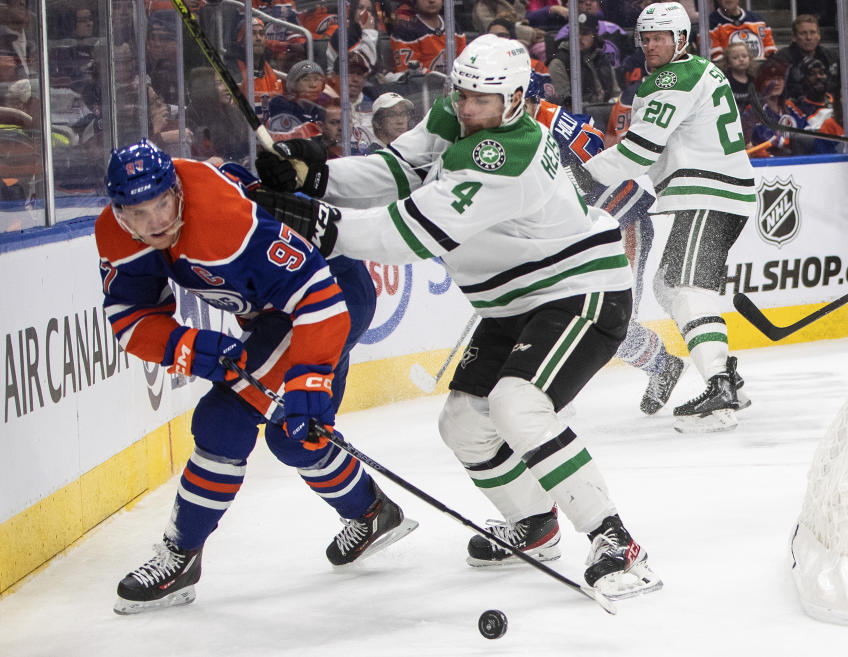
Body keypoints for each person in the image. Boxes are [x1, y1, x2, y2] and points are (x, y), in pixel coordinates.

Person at [253, 34, 663, 599]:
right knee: (464, 425)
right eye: (463, 94)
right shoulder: (457, 114)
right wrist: (315, 177)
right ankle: (535, 524)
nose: (467, 108)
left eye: (483, 100)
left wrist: (318, 220)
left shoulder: (508, 160)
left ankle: (615, 539)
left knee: (516, 404)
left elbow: (407, 232)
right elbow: (399, 171)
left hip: (580, 289)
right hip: (517, 300)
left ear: (515, 99)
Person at [97, 139, 416, 615]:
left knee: (224, 418)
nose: (156, 222)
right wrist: (197, 349)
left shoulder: (221, 221)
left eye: (162, 203)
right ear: (119, 212)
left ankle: (180, 556)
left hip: (331, 296)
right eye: (138, 213)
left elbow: (316, 296)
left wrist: (308, 381)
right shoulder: (119, 232)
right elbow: (130, 313)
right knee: (295, 438)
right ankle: (372, 514)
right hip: (279, 313)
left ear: (175, 191)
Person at [582, 2, 754, 433]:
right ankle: (726, 376)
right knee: (668, 282)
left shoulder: (675, 77)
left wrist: (583, 177)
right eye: (647, 38)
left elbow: (639, 151)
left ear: (681, 40)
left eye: (661, 38)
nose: (652, 45)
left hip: (709, 192)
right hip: (714, 191)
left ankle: (719, 384)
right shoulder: (693, 70)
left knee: (683, 284)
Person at [525, 74, 687, 415]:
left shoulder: (551, 129)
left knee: (613, 323)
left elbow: (599, 166)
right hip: (585, 234)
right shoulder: (530, 126)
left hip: (619, 224)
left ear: (531, 101)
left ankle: (662, 365)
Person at [547, 13, 621, 109]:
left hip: (607, 117)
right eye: (575, 32)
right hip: (578, 119)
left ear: (594, 36)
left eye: (585, 33)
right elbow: (564, 105)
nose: (578, 38)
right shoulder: (559, 63)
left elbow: (616, 95)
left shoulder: (602, 59)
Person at [783, 57, 843, 155]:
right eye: (812, 74)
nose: (818, 77)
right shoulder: (795, 108)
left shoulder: (839, 101)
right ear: (802, 79)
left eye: (821, 73)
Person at [776, 14, 840, 103]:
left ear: (819, 36)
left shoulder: (831, 56)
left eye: (813, 32)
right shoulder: (782, 58)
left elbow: (842, 85)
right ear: (794, 37)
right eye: (803, 33)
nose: (809, 38)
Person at [390, 0, 466, 74]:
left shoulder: (453, 26)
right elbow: (410, 73)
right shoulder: (405, 31)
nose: (431, 1)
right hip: (422, 85)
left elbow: (463, 62)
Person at [708, 0, 776, 62]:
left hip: (760, 69)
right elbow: (716, 58)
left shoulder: (758, 20)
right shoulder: (710, 23)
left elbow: (770, 52)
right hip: (730, 73)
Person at [723, 41, 755, 115]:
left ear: (749, 58)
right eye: (735, 58)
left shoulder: (753, 80)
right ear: (728, 62)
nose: (741, 59)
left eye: (744, 56)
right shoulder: (725, 81)